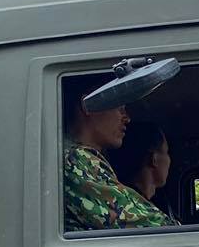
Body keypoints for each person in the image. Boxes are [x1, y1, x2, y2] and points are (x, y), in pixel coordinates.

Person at [63, 90, 168, 232]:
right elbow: (147, 224)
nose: (127, 118)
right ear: (88, 105)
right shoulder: (75, 158)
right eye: (119, 108)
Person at [110, 121, 173, 218]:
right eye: (167, 152)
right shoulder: (137, 211)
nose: (169, 160)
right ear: (154, 159)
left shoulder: (123, 200)